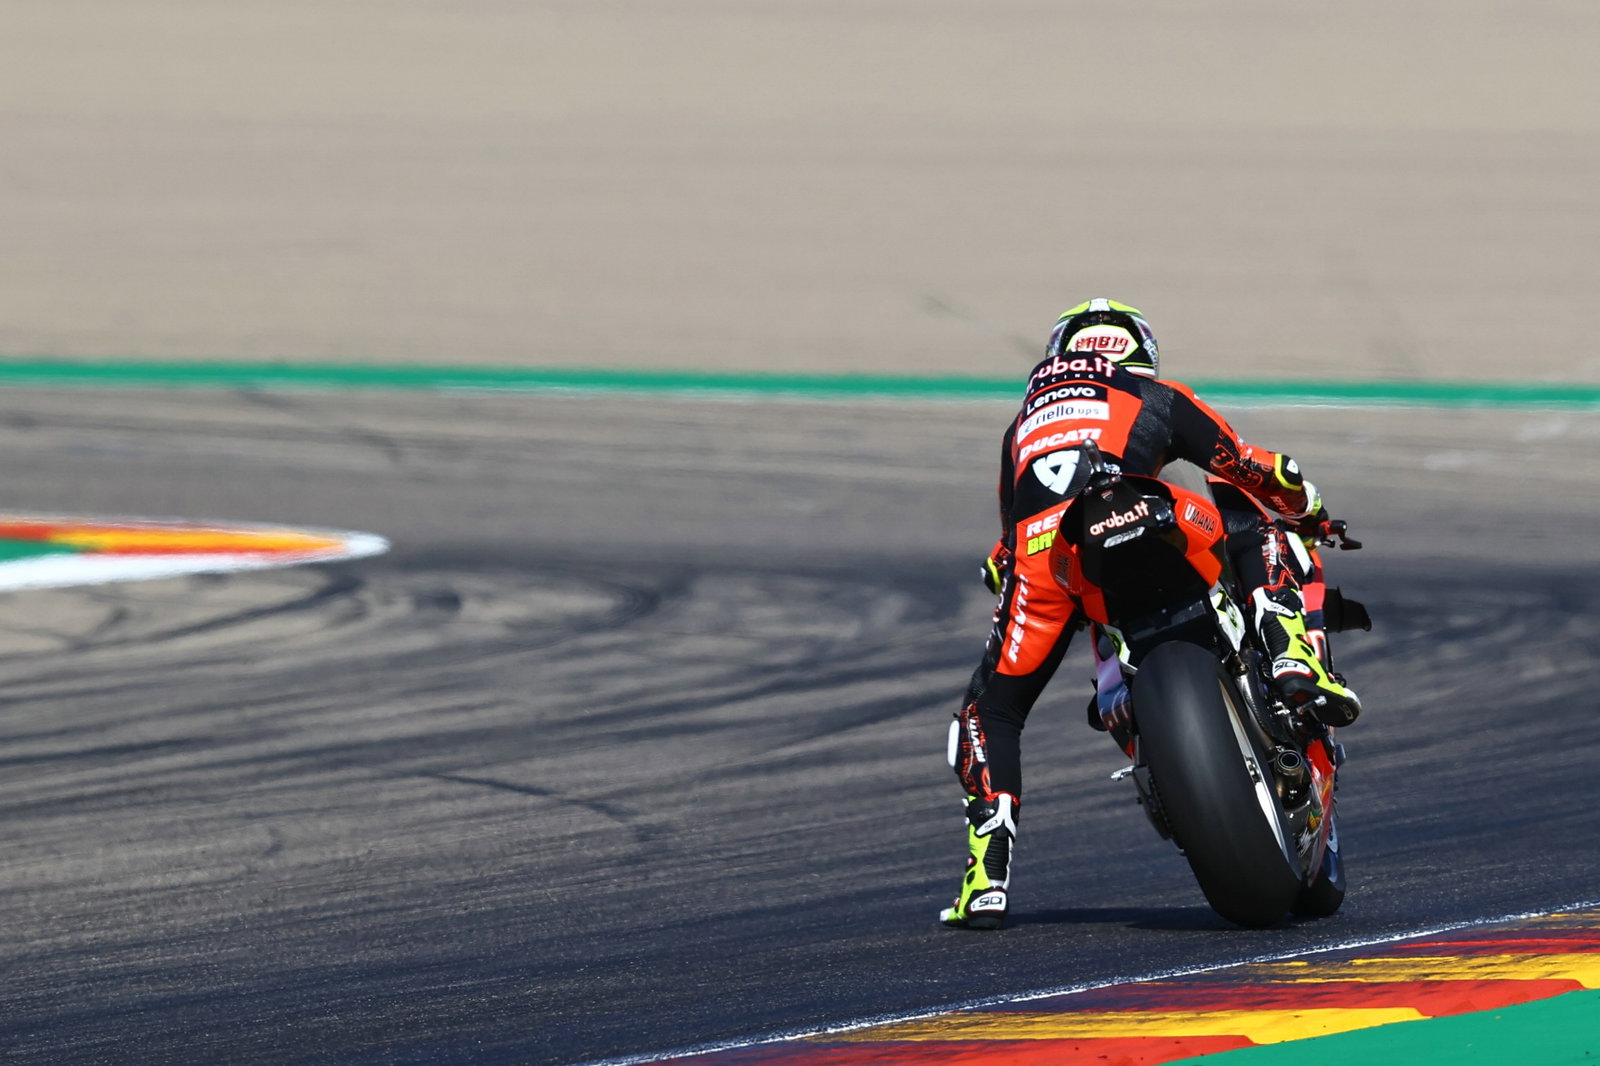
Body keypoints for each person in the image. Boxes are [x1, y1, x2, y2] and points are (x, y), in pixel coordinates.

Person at [940, 298, 1361, 930]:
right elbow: (1256, 466)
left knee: (989, 710)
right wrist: (1312, 514)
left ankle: (987, 876)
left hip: (1048, 560)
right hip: (1155, 515)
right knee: (1256, 523)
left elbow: (1004, 550)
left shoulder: (1020, 428)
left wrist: (1004, 576)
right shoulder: (1154, 394)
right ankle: (1292, 654)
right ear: (1139, 353)